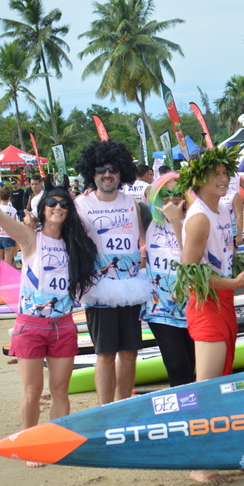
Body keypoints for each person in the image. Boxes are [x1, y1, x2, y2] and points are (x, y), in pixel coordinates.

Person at [0, 161, 96, 468]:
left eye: (65, 203)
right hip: (30, 326)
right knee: (32, 390)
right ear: (43, 207)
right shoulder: (29, 238)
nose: (58, 207)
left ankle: (57, 442)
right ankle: (31, 444)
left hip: (63, 325)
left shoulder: (76, 245)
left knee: (60, 390)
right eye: (52, 202)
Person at [175, 146, 244, 485]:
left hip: (223, 299)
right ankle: (199, 463)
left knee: (222, 381)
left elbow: (223, 260)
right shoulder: (198, 218)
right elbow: (189, 272)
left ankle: (210, 456)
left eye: (226, 173)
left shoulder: (222, 210)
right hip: (206, 302)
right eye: (216, 175)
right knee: (206, 386)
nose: (224, 179)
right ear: (200, 180)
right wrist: (234, 283)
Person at [74, 141, 152, 406]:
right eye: (101, 169)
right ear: (91, 173)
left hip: (130, 286)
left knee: (130, 352)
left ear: (122, 173)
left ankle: (124, 406)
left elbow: (144, 239)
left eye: (113, 169)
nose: (107, 174)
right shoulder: (81, 204)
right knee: (105, 354)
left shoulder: (132, 203)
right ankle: (105, 410)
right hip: (100, 287)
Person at [141, 172, 194, 387]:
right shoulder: (148, 220)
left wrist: (176, 222)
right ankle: (182, 414)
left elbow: (191, 259)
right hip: (160, 308)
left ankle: (193, 415)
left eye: (178, 193)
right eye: (165, 193)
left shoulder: (195, 219)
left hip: (192, 306)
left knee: (193, 364)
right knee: (176, 366)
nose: (171, 198)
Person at [0, 186, 19, 283]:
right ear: (9, 198)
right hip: (8, 237)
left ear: (0, 197)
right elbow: (15, 227)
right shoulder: (12, 210)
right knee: (7, 264)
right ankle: (5, 285)